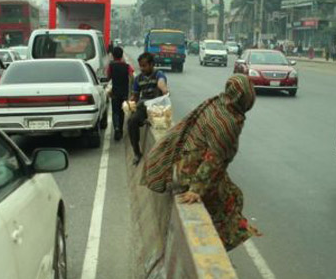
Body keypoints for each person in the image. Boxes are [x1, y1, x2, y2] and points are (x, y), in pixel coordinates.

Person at [142, 75, 260, 251]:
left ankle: (217, 245)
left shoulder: (219, 103)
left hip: (185, 162)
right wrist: (195, 190)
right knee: (227, 202)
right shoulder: (228, 121)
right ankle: (216, 248)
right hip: (190, 173)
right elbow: (214, 160)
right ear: (243, 98)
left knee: (233, 195)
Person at [128, 52, 169, 165]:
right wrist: (129, 103)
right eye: (140, 66)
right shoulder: (138, 79)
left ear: (152, 65)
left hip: (157, 108)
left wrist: (165, 90)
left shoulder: (158, 74)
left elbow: (161, 83)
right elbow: (135, 96)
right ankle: (137, 152)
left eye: (144, 66)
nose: (142, 68)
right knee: (131, 122)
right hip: (144, 107)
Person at [106, 46, 135, 141]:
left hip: (115, 92)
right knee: (122, 111)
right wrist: (131, 91)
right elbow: (132, 78)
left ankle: (116, 128)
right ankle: (121, 131)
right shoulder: (127, 66)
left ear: (113, 55)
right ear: (122, 55)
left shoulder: (111, 66)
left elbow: (108, 77)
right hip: (124, 93)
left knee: (115, 111)